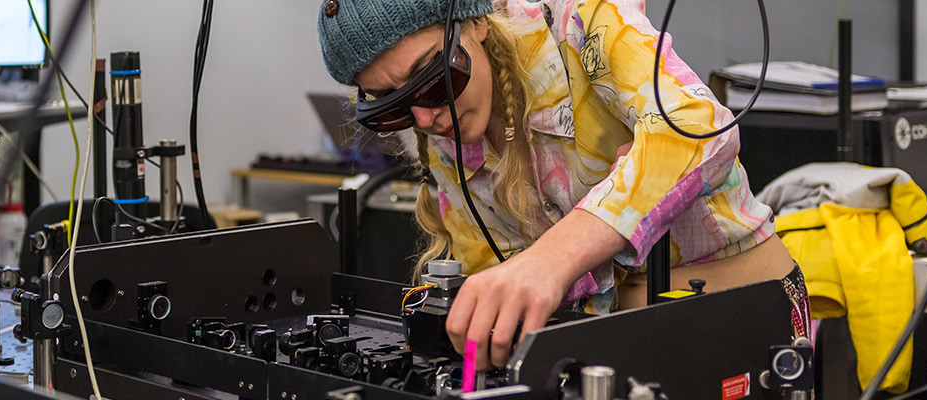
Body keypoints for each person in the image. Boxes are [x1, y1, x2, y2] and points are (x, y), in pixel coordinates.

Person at [316, 0, 808, 369]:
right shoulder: (441, 127)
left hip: (742, 325)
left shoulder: (581, 20)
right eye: (391, 107)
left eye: (432, 79)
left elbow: (699, 126)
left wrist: (552, 259)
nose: (426, 117)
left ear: (475, 22)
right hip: (598, 349)